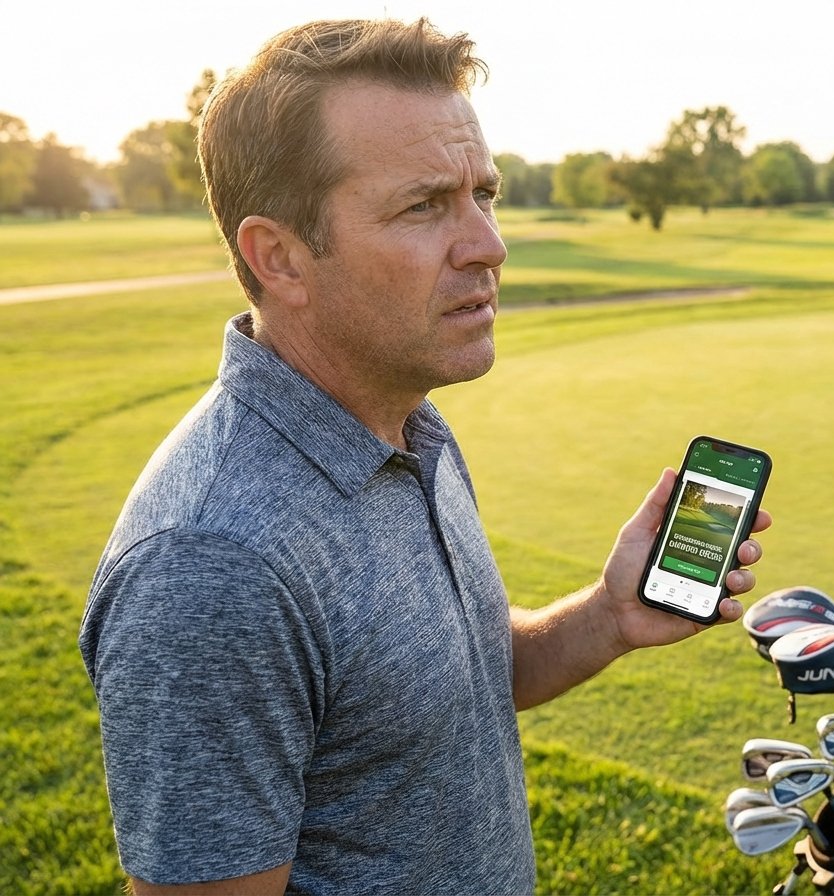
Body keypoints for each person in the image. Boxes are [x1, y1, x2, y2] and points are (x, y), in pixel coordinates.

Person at [78, 18, 770, 896]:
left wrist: (608, 616)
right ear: (279, 257)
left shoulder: (410, 423)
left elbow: (452, 679)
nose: (489, 245)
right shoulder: (212, 567)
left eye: (485, 194)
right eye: (424, 206)